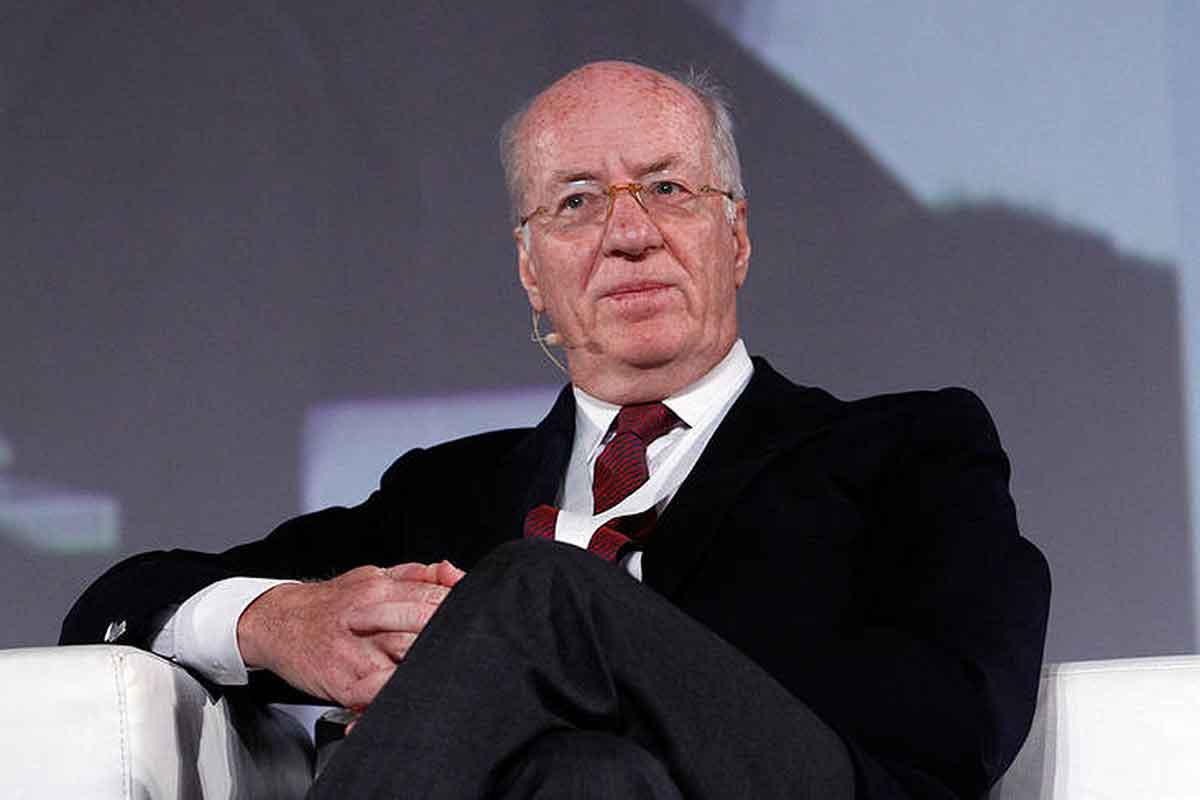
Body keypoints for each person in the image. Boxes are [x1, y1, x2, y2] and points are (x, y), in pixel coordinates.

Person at [61, 61, 1050, 799]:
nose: (631, 233)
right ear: (531, 269)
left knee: (543, 587)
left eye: (668, 189)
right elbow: (115, 603)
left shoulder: (905, 450)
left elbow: (959, 718)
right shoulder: (443, 494)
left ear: (736, 236)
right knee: (587, 777)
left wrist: (572, 663)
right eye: (577, 202)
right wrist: (279, 620)